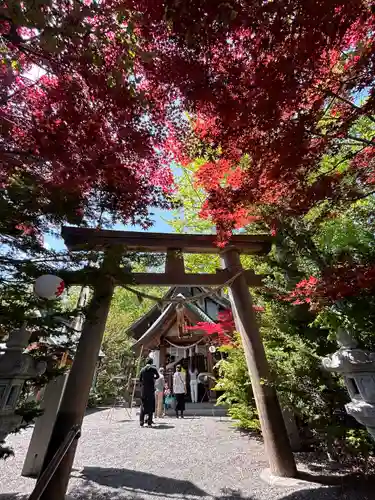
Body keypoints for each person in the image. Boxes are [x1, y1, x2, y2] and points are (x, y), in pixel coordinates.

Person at [139, 358, 159, 427]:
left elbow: (140, 379)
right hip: (151, 389)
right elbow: (158, 376)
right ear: (151, 362)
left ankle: (141, 422)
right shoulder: (153, 369)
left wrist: (144, 382)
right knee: (150, 405)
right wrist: (153, 378)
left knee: (143, 405)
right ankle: (149, 422)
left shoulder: (142, 369)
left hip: (144, 390)